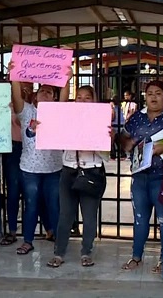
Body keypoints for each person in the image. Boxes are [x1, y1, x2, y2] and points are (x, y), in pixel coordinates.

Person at [117, 80, 163, 274]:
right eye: (149, 94)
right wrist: (126, 143)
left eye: (158, 93)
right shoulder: (137, 117)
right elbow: (123, 137)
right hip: (139, 176)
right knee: (140, 218)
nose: (153, 97)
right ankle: (136, 257)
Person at [8, 61, 70, 255]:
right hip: (29, 170)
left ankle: (59, 240)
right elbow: (16, 95)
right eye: (42, 90)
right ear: (35, 96)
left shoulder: (58, 112)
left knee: (54, 204)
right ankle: (28, 240)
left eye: (50, 92)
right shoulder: (27, 111)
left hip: (53, 168)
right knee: (31, 204)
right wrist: (14, 75)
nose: (45, 93)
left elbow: (65, 94)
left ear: (54, 97)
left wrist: (68, 77)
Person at [46, 85, 110, 268]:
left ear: (94, 100)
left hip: (92, 171)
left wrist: (97, 143)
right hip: (69, 170)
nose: (82, 101)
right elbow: (53, 126)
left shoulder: (101, 121)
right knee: (65, 214)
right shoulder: (67, 119)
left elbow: (107, 156)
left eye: (87, 97)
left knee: (89, 216)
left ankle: (86, 252)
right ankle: (59, 253)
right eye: (79, 97)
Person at [0, 82, 30, 246]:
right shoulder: (5, 103)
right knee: (13, 191)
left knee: (30, 192)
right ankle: (12, 231)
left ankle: (38, 231)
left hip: (30, 149)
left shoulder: (33, 105)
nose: (26, 88)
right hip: (12, 148)